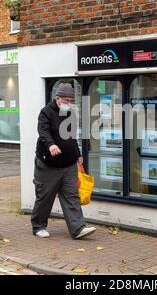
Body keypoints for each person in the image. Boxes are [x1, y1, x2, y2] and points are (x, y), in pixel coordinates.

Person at [31, 83, 96, 239]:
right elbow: (43, 131)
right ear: (57, 98)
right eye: (66, 100)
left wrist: (78, 154)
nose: (69, 103)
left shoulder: (69, 114)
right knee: (45, 196)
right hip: (48, 165)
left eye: (71, 101)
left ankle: (78, 228)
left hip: (68, 164)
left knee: (72, 196)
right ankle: (38, 226)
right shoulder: (46, 113)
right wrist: (51, 144)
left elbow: (72, 137)